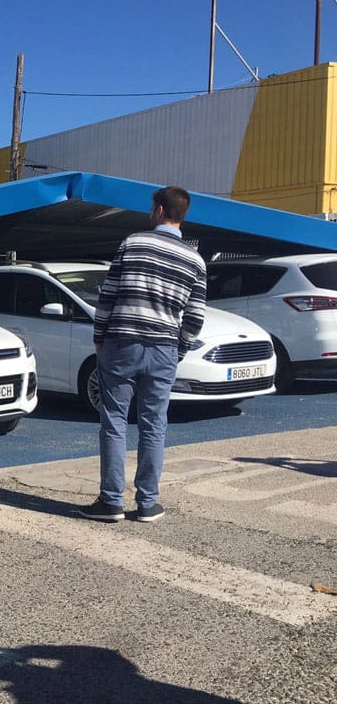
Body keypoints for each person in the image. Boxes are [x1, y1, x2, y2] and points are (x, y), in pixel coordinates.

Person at [80, 186, 206, 523]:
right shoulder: (195, 260)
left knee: (115, 421)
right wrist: (178, 349)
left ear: (160, 211)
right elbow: (195, 317)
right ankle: (148, 503)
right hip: (164, 348)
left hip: (122, 342)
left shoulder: (133, 243)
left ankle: (111, 502)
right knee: (154, 425)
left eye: (153, 207)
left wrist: (99, 338)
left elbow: (108, 296)